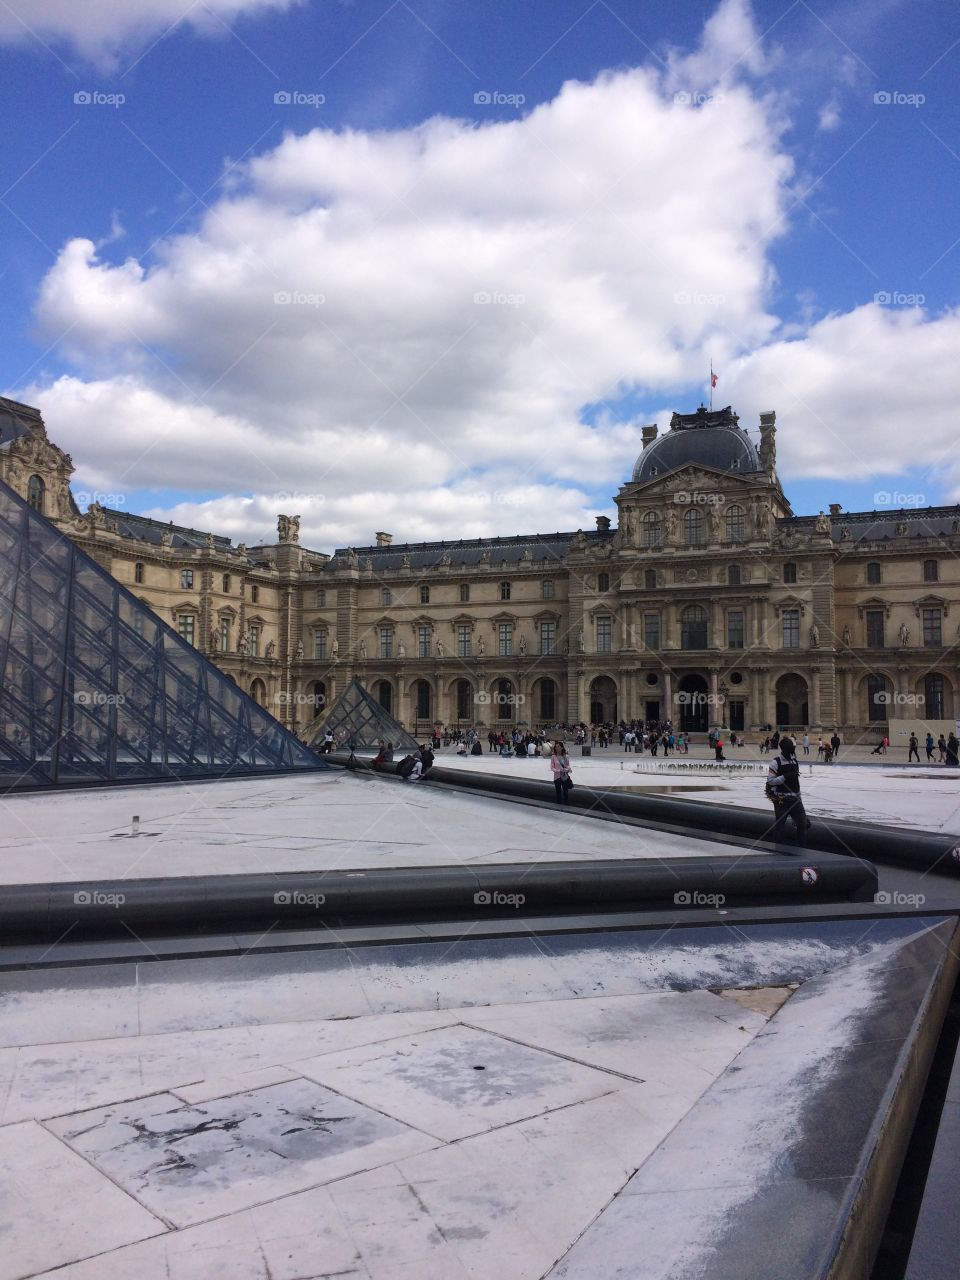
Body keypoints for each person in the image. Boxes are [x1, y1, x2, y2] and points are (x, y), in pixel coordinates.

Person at [766, 735, 809, 846]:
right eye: (789, 752)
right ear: (784, 750)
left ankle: (801, 847)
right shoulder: (775, 762)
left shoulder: (794, 761)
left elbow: (796, 783)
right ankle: (779, 848)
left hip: (795, 798)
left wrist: (799, 798)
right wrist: (785, 776)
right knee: (780, 825)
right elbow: (771, 781)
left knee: (803, 824)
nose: (791, 754)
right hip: (781, 799)